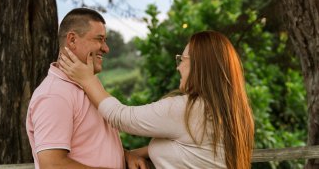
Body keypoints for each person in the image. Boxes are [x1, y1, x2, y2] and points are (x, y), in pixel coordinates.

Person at [59, 30, 255, 169]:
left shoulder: (186, 110)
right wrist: (135, 153)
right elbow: (191, 146)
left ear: (200, 66)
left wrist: (87, 79)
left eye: (182, 59)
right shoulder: (234, 113)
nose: (178, 67)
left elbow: (121, 117)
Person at [26, 8, 149, 169]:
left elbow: (90, 143)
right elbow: (52, 164)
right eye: (99, 39)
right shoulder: (55, 95)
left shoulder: (87, 86)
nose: (106, 48)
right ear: (72, 40)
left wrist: (125, 155)